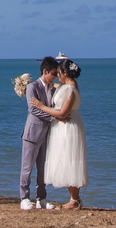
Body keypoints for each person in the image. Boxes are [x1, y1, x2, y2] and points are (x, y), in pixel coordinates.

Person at [29, 58, 87, 209]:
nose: (57, 76)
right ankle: (74, 199)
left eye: (59, 72)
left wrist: (41, 106)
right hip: (64, 128)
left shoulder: (70, 90)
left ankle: (74, 200)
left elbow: (62, 113)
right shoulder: (67, 86)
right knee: (66, 160)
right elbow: (52, 85)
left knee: (70, 160)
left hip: (68, 127)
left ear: (65, 73)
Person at [20, 56, 59, 210]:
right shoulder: (32, 87)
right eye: (53, 73)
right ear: (45, 71)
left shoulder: (52, 87)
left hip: (46, 135)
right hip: (32, 133)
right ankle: (24, 197)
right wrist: (53, 117)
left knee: (42, 168)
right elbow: (33, 110)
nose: (55, 76)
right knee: (27, 168)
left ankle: (41, 198)